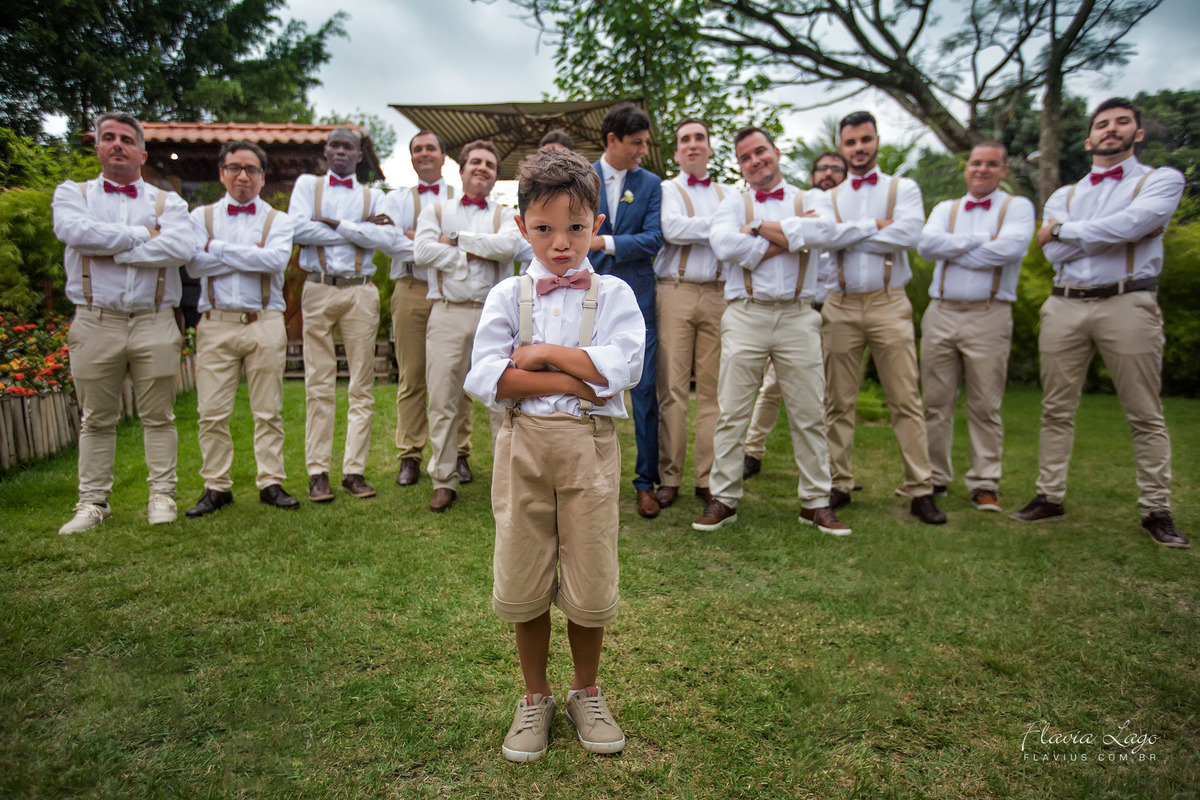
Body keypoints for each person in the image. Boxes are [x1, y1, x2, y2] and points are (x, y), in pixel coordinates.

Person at [464, 149, 644, 762]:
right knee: (524, 567)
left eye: (575, 227)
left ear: (597, 225)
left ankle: (585, 691)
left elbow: (623, 367)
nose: (561, 243)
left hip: (588, 449)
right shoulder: (507, 295)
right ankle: (534, 694)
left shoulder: (614, 293)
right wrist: (575, 378)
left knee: (589, 567)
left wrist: (540, 354)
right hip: (523, 447)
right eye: (544, 228)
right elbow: (488, 377)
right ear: (521, 227)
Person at [1011, 97, 1188, 549]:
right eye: (1102, 124)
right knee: (1056, 408)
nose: (1111, 129)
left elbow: (1134, 223)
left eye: (1122, 122)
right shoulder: (1063, 195)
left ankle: (1156, 509)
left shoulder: (1161, 179)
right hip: (1065, 304)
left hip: (1128, 302)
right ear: (1089, 139)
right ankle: (1049, 496)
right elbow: (1053, 251)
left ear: (1137, 134)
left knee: (1144, 411)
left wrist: (1065, 230)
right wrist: (1114, 232)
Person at [693, 127, 848, 536]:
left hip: (799, 315)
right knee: (732, 411)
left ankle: (815, 502)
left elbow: (825, 232)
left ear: (776, 152)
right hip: (745, 313)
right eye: (745, 157)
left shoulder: (811, 199)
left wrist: (758, 225)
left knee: (809, 412)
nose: (755, 161)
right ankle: (724, 498)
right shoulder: (732, 202)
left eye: (760, 151)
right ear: (740, 165)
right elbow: (724, 246)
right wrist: (791, 236)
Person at [53, 112, 196, 534]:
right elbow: (75, 233)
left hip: (155, 319)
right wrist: (144, 235)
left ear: (142, 153)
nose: (118, 145)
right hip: (95, 319)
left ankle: (162, 495)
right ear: (98, 147)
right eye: (110, 138)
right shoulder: (73, 193)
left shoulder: (168, 202)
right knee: (97, 417)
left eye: (127, 140)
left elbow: (182, 248)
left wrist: (110, 246)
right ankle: (93, 502)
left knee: (159, 415)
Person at [820, 111, 946, 524]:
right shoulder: (828, 198)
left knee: (905, 398)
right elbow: (824, 238)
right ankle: (838, 483)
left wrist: (848, 235)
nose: (859, 148)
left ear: (876, 141)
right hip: (840, 303)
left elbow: (909, 235)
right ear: (841, 147)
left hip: (889, 302)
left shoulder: (902, 188)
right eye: (851, 142)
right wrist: (876, 226)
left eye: (865, 140)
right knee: (838, 399)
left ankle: (921, 488)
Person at [183, 140, 299, 517]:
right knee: (211, 412)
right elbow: (193, 266)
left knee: (269, 410)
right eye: (235, 168)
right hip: (216, 323)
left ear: (262, 177)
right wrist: (251, 253)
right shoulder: (200, 217)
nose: (243, 176)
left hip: (264, 321)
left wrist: (215, 248)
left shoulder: (278, 220)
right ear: (222, 173)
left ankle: (271, 482)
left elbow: (274, 262)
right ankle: (217, 486)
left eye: (251, 169)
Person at [917, 142, 1034, 513]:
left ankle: (984, 483)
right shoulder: (945, 208)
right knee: (935, 402)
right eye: (976, 163)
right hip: (940, 312)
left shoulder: (1017, 207)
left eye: (991, 164)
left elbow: (1011, 249)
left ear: (1004, 170)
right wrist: (982, 241)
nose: (982, 169)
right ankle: (933, 477)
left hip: (989, 314)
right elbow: (926, 246)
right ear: (966, 168)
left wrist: (952, 249)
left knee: (985, 403)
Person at [289, 128, 397, 503]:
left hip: (360, 290)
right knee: (318, 382)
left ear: (358, 154)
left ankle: (354, 471)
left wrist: (331, 224)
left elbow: (387, 239)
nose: (340, 151)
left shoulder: (373, 195)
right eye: (334, 145)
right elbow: (295, 228)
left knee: (361, 384)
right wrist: (360, 231)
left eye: (347, 146)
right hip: (318, 286)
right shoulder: (308, 185)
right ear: (325, 150)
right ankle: (317, 473)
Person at [414, 139, 522, 513]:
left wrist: (458, 240)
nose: (482, 168)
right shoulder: (436, 210)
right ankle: (444, 479)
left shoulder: (506, 216)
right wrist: (474, 255)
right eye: (475, 162)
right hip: (447, 312)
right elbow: (422, 252)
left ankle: (505, 481)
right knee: (442, 397)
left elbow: (508, 249)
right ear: (460, 170)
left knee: (500, 399)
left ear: (495, 176)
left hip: (495, 317)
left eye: (490, 165)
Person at [743, 151, 848, 479]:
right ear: (813, 175)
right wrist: (795, 233)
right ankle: (752, 450)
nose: (829, 174)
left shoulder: (831, 212)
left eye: (837, 169)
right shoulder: (801, 205)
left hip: (839, 307)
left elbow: (831, 234)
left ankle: (834, 469)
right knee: (773, 385)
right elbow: (793, 239)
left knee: (833, 391)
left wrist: (792, 234)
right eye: (823, 168)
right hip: (801, 309)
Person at [380, 131, 475, 489]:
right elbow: (388, 243)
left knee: (457, 375)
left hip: (452, 292)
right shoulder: (396, 199)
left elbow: (469, 245)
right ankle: (410, 453)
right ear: (411, 158)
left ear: (443, 156)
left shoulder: (460, 199)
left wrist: (415, 237)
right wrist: (435, 243)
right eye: (417, 149)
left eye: (430, 148)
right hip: (410, 289)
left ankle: (459, 453)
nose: (424, 153)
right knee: (412, 374)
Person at [589, 102, 664, 518]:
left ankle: (645, 482)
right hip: (589, 297)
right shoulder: (583, 177)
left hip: (638, 298)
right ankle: (584, 476)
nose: (642, 151)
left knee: (645, 390)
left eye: (644, 143)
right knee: (584, 385)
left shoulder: (650, 183)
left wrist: (605, 242)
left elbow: (653, 238)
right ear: (612, 140)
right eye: (636, 143)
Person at [654, 118, 733, 508]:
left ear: (710, 147)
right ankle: (670, 476)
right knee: (672, 388)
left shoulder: (729, 192)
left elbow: (735, 234)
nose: (693, 144)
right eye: (685, 139)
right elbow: (672, 229)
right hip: (676, 291)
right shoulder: (667, 189)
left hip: (719, 293)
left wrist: (714, 229)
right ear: (676, 152)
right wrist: (721, 227)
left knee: (714, 390)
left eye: (699, 137)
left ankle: (708, 477)